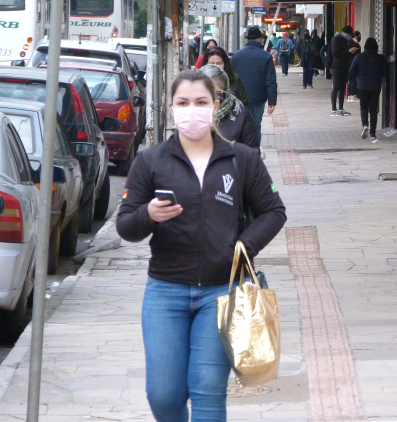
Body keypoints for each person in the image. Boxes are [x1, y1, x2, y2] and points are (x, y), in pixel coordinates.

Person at [116, 69, 286, 422]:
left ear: (215, 106)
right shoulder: (151, 161)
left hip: (222, 293)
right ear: (171, 107)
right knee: (163, 395)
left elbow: (273, 211)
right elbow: (126, 227)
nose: (191, 110)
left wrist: (243, 246)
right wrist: (148, 214)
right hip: (166, 291)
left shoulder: (241, 159)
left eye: (200, 102)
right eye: (183, 102)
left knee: (207, 386)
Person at [232, 26, 277, 142]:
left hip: (239, 99)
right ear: (260, 39)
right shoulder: (266, 56)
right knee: (256, 126)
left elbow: (231, 79)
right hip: (258, 98)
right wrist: (272, 102)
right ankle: (255, 152)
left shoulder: (236, 56)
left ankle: (242, 150)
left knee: (241, 126)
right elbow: (270, 81)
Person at [200, 64, 259, 150]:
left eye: (214, 91)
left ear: (225, 90)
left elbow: (253, 151)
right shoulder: (189, 114)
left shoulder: (239, 113)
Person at [349, 38, 386, 141]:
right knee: (373, 109)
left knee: (364, 107)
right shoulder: (380, 58)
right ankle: (373, 132)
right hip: (375, 86)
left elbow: (352, 71)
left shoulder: (359, 57)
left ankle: (365, 124)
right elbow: (384, 72)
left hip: (362, 86)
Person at [330, 25, 357, 116]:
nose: (349, 37)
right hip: (337, 67)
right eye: (349, 34)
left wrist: (351, 51)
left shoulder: (345, 40)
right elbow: (335, 52)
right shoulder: (336, 39)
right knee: (336, 87)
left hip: (344, 66)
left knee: (342, 88)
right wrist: (348, 51)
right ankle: (334, 109)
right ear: (344, 33)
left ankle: (341, 108)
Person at [346, 31, 362, 103]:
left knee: (350, 80)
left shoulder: (349, 43)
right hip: (353, 64)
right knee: (353, 80)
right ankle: (353, 95)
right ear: (356, 36)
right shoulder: (355, 45)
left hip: (348, 63)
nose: (360, 38)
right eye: (359, 36)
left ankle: (349, 96)